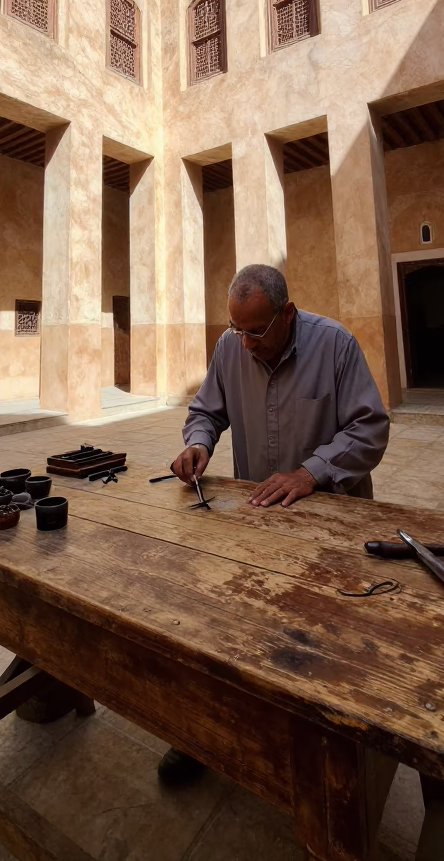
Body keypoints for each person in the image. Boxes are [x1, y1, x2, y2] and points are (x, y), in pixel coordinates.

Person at [158, 263, 390, 784]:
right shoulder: (230, 346)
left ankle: (332, 759)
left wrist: (311, 472)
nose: (245, 343)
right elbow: (207, 411)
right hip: (260, 518)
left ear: (287, 314)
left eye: (257, 331)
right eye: (236, 329)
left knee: (326, 641)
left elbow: (370, 428)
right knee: (241, 628)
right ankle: (207, 732)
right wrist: (198, 442)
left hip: (333, 520)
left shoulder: (335, 344)